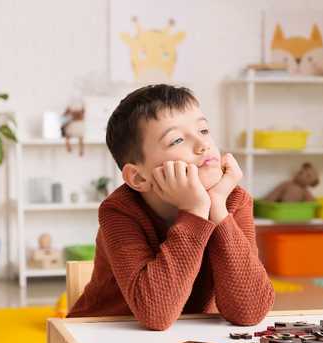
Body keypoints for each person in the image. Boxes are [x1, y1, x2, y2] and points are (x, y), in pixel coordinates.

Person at [67, 84, 275, 330]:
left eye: (204, 130)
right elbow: (156, 315)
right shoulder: (119, 211)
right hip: (102, 335)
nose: (202, 144)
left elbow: (250, 312)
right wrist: (194, 211)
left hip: (181, 339)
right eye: (176, 140)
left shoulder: (232, 199)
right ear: (139, 178)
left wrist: (217, 207)